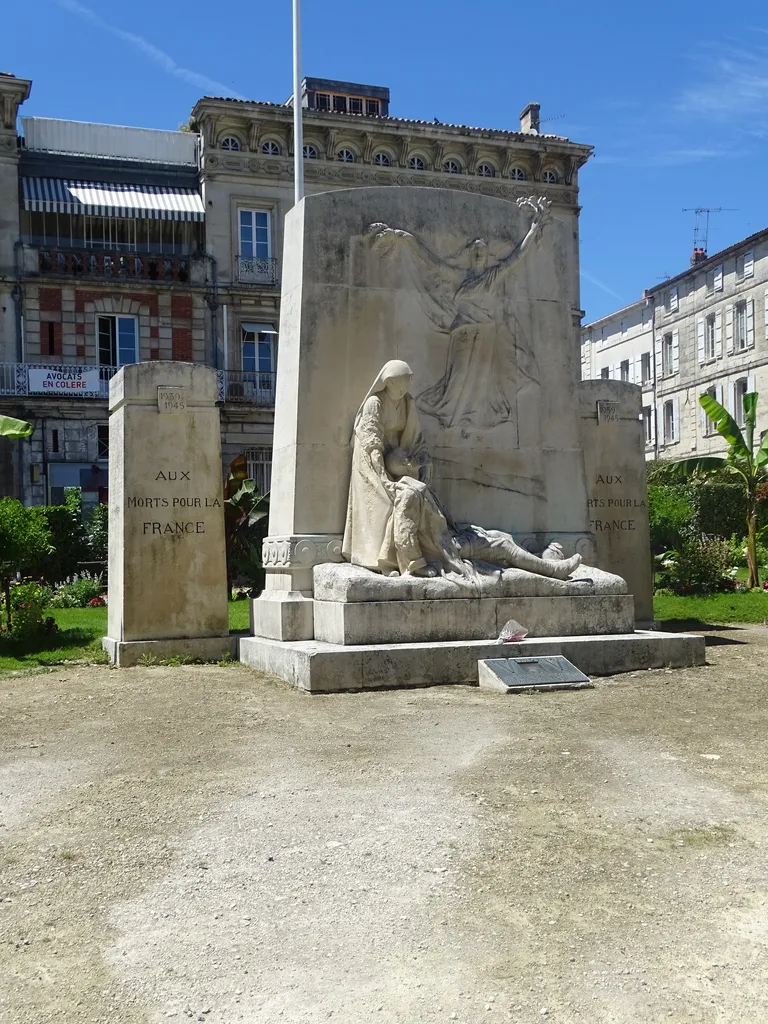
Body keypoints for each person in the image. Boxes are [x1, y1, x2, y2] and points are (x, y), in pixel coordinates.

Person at [342, 360, 581, 580]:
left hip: (459, 535)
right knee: (504, 547)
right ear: (389, 382)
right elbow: (372, 445)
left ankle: (550, 559)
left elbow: (416, 442)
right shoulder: (409, 493)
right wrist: (415, 564)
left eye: (408, 383)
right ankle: (552, 567)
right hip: (451, 546)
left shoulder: (416, 482)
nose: (405, 388)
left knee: (503, 541)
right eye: (401, 384)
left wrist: (421, 461)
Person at [368, 196, 550, 430]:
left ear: (486, 255)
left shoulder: (494, 275)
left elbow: (518, 257)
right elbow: (431, 262)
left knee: (482, 381)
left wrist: (533, 231)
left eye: (482, 250)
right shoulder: (461, 276)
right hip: (463, 331)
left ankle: (474, 419)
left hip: (486, 333)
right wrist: (409, 239)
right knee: (458, 377)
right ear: (469, 253)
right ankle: (452, 415)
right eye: (474, 249)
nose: (478, 253)